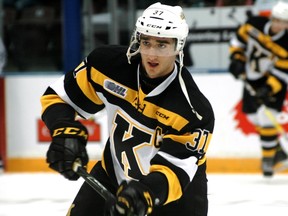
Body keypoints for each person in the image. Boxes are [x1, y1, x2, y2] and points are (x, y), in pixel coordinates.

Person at [40, 2, 214, 216]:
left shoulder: (193, 110)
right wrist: (63, 130)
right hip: (112, 178)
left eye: (162, 45)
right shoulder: (108, 66)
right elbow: (58, 97)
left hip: (172, 200)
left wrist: (144, 193)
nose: (151, 54)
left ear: (178, 46)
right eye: (146, 42)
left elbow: (175, 173)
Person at [228, 0, 288, 177]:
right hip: (252, 77)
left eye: (283, 22)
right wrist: (237, 59)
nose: (278, 25)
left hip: (274, 82)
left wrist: (268, 89)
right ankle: (277, 151)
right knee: (253, 115)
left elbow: (283, 73)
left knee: (266, 116)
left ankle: (268, 161)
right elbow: (237, 41)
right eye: (276, 20)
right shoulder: (254, 24)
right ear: (272, 17)